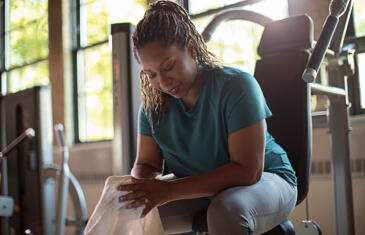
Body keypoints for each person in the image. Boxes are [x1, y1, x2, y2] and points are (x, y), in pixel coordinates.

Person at [117, 1, 297, 234]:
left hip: (268, 180)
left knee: (225, 211)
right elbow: (146, 164)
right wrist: (141, 190)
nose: (163, 82)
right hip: (202, 190)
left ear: (191, 50)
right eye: (151, 74)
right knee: (130, 215)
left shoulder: (237, 86)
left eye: (169, 66)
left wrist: (168, 191)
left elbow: (247, 171)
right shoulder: (153, 107)